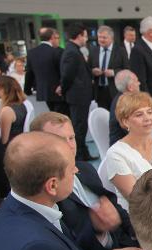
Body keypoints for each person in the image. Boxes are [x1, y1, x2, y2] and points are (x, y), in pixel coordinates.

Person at [31, 112, 143, 250]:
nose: (69, 146)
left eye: (71, 138)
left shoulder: (85, 169)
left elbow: (115, 207)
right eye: (60, 140)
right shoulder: (47, 191)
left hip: (125, 244)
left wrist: (140, 233)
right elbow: (71, 246)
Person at [106, 92, 152, 211]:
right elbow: (138, 200)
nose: (147, 118)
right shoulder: (116, 154)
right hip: (141, 217)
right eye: (139, 114)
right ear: (125, 122)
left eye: (149, 112)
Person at [60, 22, 97, 161]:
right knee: (79, 127)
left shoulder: (74, 50)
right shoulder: (72, 52)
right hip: (78, 96)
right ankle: (80, 156)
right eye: (85, 36)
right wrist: (63, 89)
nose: (86, 39)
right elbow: (67, 75)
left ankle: (83, 153)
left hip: (80, 95)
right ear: (79, 36)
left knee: (81, 126)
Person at [24, 27, 68, 115]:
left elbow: (29, 73)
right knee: (62, 117)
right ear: (52, 37)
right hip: (59, 92)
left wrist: (27, 90)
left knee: (53, 115)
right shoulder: (57, 52)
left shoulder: (32, 52)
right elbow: (63, 72)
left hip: (43, 92)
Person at [89, 26, 129, 110]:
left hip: (115, 91)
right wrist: (92, 71)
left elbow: (127, 70)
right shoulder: (93, 51)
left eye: (104, 37)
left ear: (111, 38)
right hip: (99, 91)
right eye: (99, 37)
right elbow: (88, 68)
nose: (101, 40)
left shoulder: (120, 51)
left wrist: (114, 72)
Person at [108, 70, 140, 145]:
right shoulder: (125, 105)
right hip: (123, 147)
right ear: (130, 87)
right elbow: (134, 131)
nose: (139, 83)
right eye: (137, 81)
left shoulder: (121, 98)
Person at [0, 75, 27, 145]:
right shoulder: (22, 104)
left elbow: (3, 140)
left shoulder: (7, 110)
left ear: (4, 90)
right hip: (19, 143)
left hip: (10, 147)